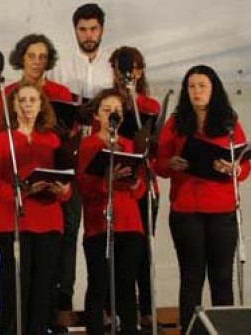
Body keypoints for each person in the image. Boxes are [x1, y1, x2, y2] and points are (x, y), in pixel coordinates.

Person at [155, 65, 251, 330]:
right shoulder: (176, 122)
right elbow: (158, 163)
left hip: (222, 208)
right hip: (187, 209)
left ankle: (223, 330)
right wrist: (170, 163)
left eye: (202, 86)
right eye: (191, 86)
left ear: (214, 89)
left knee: (221, 278)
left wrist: (236, 168)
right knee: (191, 278)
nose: (196, 91)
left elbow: (244, 165)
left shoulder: (228, 120)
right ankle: (190, 330)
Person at [0, 82, 70, 335]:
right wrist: (21, 192)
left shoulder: (53, 139)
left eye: (32, 100)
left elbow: (66, 181)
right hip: (13, 219)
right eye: (21, 100)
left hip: (49, 218)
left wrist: (64, 191)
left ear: (41, 105)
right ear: (13, 105)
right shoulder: (2, 139)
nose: (27, 105)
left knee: (43, 285)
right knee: (16, 284)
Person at [78, 89, 145, 335]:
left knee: (127, 286)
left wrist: (136, 182)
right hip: (99, 224)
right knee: (99, 284)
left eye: (116, 110)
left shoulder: (129, 145)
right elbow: (84, 186)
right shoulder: (89, 145)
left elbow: (140, 190)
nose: (111, 114)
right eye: (106, 110)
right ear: (97, 114)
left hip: (129, 223)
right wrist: (107, 179)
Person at [108, 46, 162, 328]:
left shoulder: (150, 106)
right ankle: (117, 305)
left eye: (131, 69)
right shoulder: (107, 104)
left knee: (144, 249)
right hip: (117, 186)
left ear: (140, 71)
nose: (124, 74)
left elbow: (154, 146)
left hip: (145, 184)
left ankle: (146, 308)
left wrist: (133, 99)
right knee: (118, 249)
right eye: (119, 68)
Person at [0, 33, 73, 133]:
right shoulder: (5, 93)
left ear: (48, 61)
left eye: (42, 57)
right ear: (22, 59)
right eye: (31, 56)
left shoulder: (61, 92)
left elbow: (71, 133)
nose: (37, 62)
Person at [50, 3, 114, 102]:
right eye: (82, 29)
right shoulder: (60, 67)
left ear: (102, 30)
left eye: (93, 29)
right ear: (75, 31)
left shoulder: (113, 65)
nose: (88, 35)